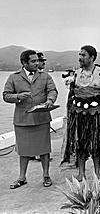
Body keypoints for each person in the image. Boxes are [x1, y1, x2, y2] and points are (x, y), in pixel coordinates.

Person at [3, 49, 58, 189]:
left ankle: (46, 175)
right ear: (24, 63)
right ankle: (22, 177)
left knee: (44, 149)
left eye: (37, 61)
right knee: (23, 150)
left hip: (41, 117)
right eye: (33, 61)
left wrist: (50, 100)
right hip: (23, 119)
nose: (37, 63)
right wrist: (17, 97)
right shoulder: (13, 77)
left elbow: (53, 91)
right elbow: (6, 95)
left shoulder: (45, 76)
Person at [61, 45, 100, 181]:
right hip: (79, 113)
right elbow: (71, 95)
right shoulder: (76, 74)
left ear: (92, 57)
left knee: (96, 143)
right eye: (79, 55)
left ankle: (97, 173)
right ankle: (81, 173)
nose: (80, 58)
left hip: (96, 114)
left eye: (83, 55)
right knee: (80, 143)